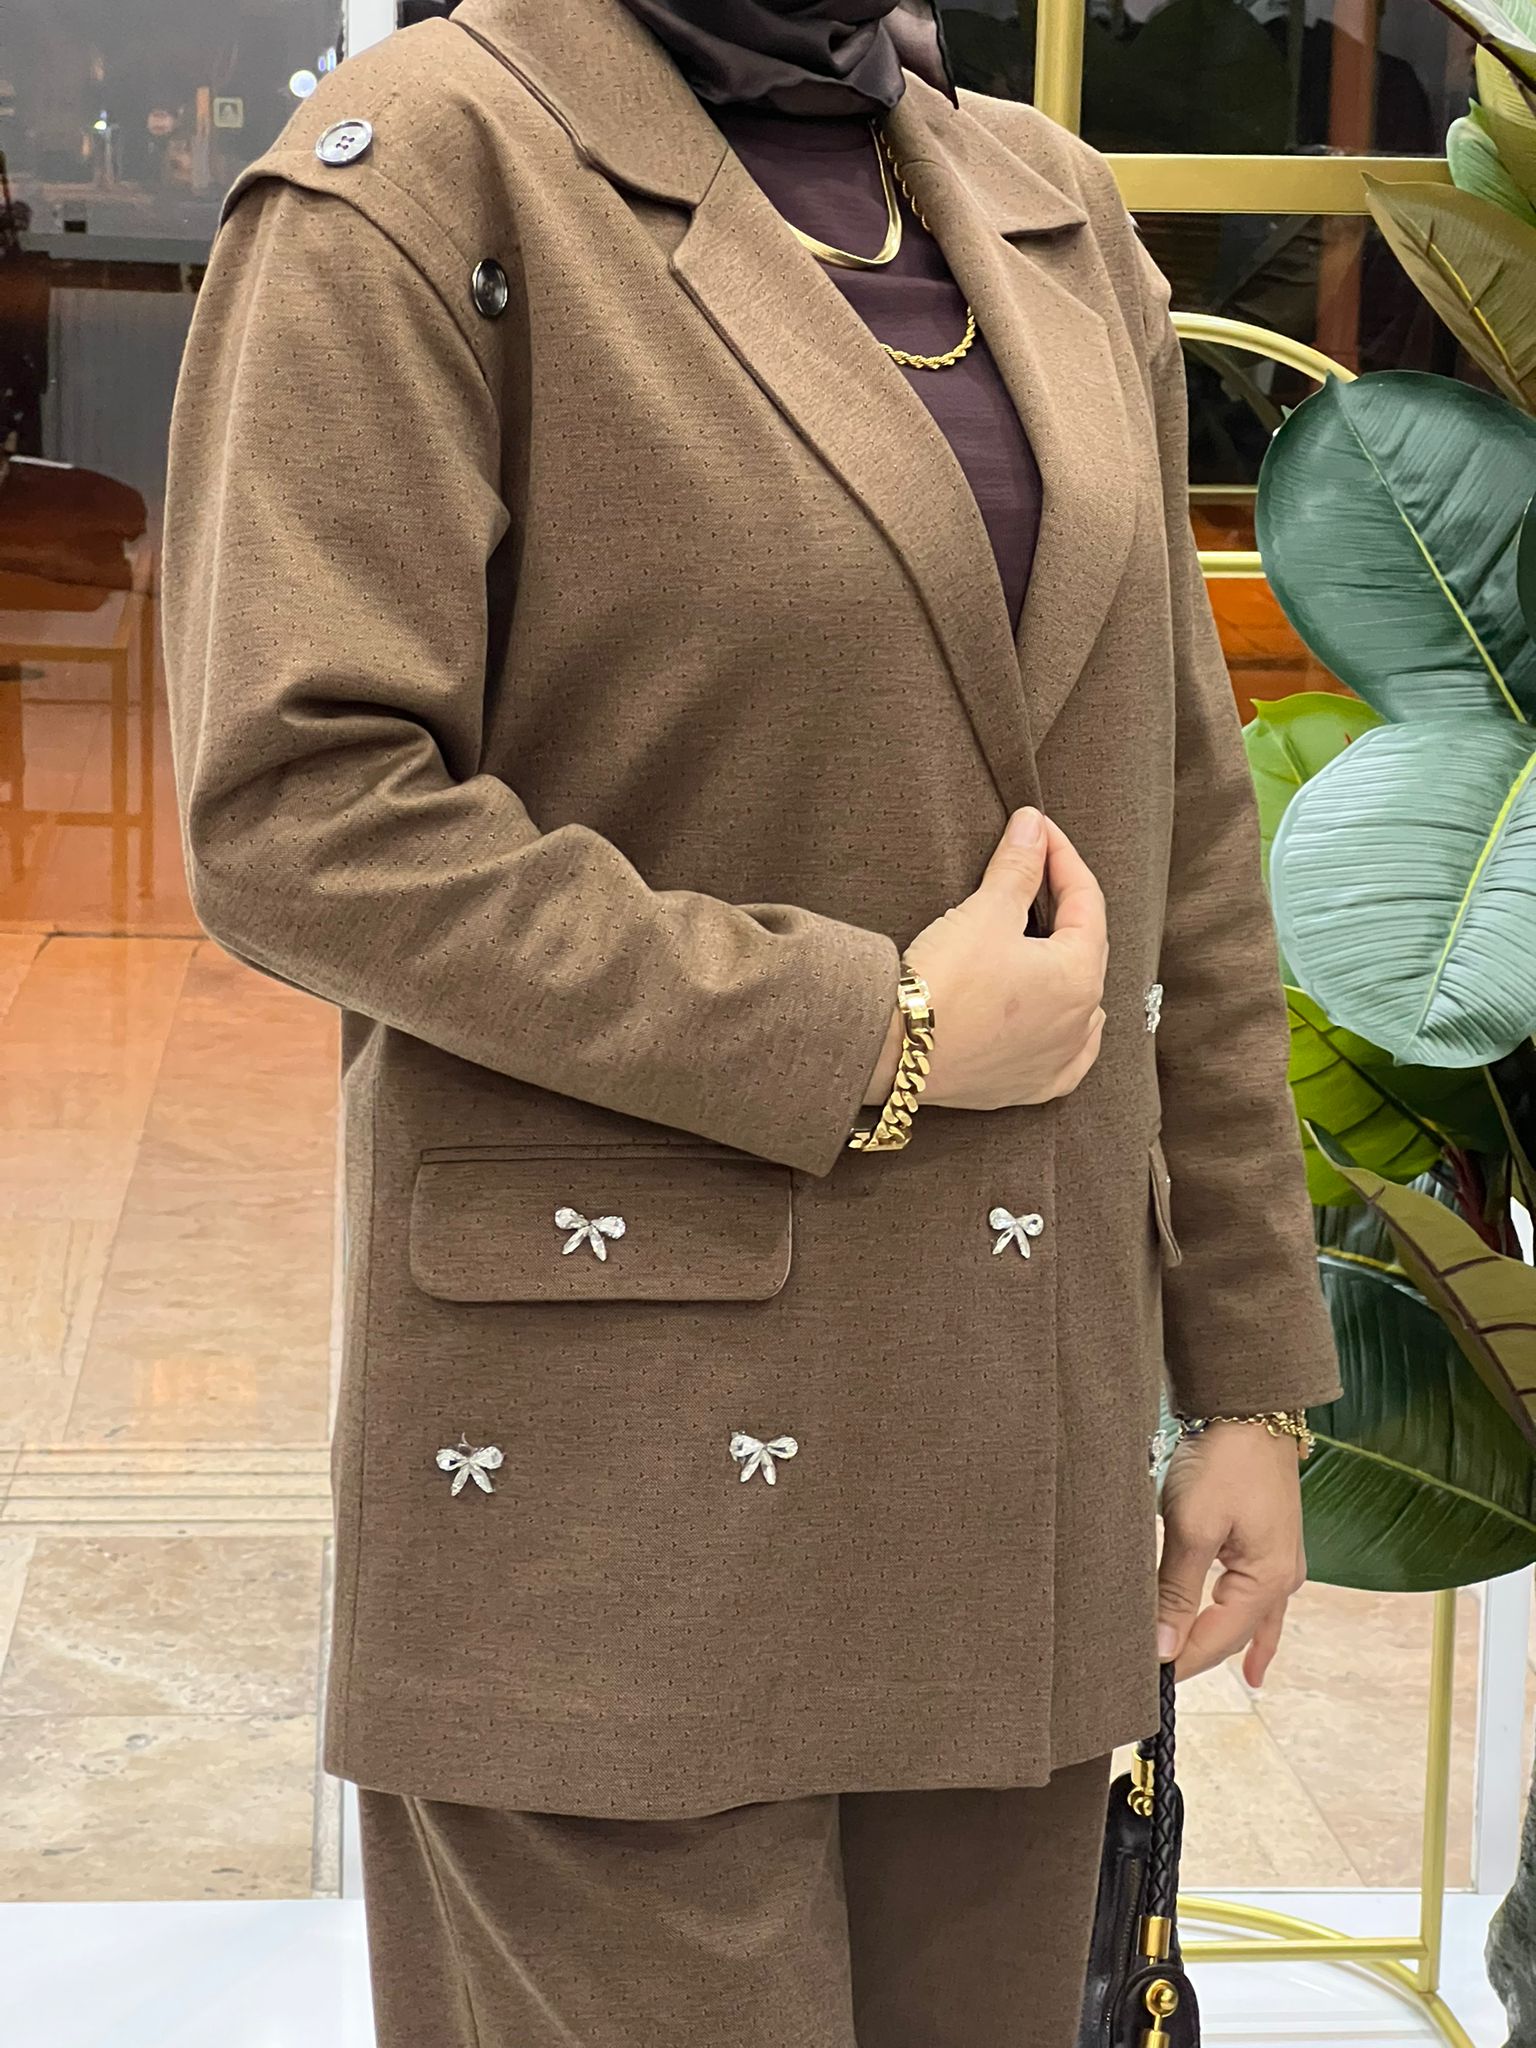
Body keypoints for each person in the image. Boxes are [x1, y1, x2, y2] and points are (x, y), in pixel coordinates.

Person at [159, 1, 1342, 2041]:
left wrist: (1244, 1369)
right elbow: (300, 812)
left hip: (1009, 1469)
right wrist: (870, 1026)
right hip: (615, 1480)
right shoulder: (424, 171)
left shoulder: (1049, 205)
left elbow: (1184, 823)